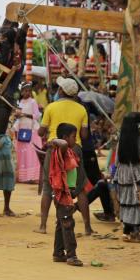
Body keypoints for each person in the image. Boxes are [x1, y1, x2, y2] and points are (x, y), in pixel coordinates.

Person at [35, 77, 89, 234]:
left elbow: (40, 132)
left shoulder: (51, 107)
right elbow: (84, 135)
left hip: (54, 149)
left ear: (61, 91)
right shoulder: (81, 109)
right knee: (80, 189)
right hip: (75, 149)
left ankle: (43, 226)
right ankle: (87, 227)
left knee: (47, 187)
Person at [46, 123, 84, 266]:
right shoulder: (61, 150)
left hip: (66, 192)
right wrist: (54, 140)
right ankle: (71, 255)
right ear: (65, 138)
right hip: (62, 194)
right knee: (68, 223)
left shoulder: (69, 151)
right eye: (74, 136)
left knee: (61, 224)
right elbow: (61, 144)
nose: (76, 139)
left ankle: (58, 253)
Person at [113, 112, 140, 242]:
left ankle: (130, 231)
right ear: (139, 125)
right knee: (137, 201)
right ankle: (130, 233)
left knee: (127, 201)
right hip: (136, 172)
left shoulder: (121, 140)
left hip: (122, 173)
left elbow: (116, 161)